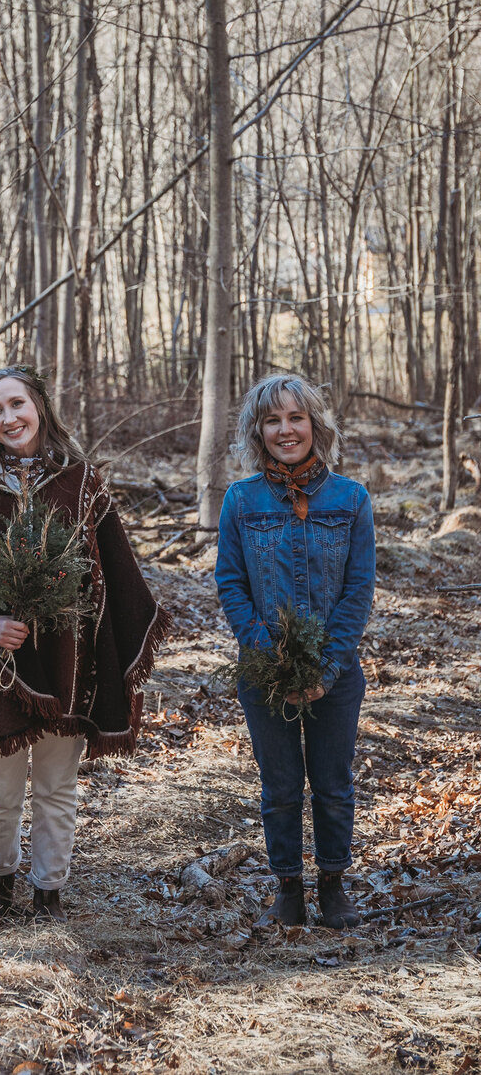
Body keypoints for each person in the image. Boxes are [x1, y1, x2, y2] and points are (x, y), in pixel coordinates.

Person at [0, 365, 170, 922]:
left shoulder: (81, 481)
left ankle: (49, 889)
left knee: (55, 783)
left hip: (71, 659)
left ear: (40, 407)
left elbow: (112, 573)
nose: (9, 419)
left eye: (17, 405)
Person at [214, 373, 375, 930]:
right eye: (273, 420)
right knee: (280, 786)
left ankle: (332, 885)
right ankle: (288, 889)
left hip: (339, 672)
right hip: (264, 673)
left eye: (296, 418)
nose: (286, 430)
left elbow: (358, 591)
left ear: (315, 424)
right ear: (258, 431)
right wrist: (271, 657)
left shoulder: (351, 500)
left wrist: (327, 666)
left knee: (332, 782)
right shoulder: (241, 500)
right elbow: (231, 585)